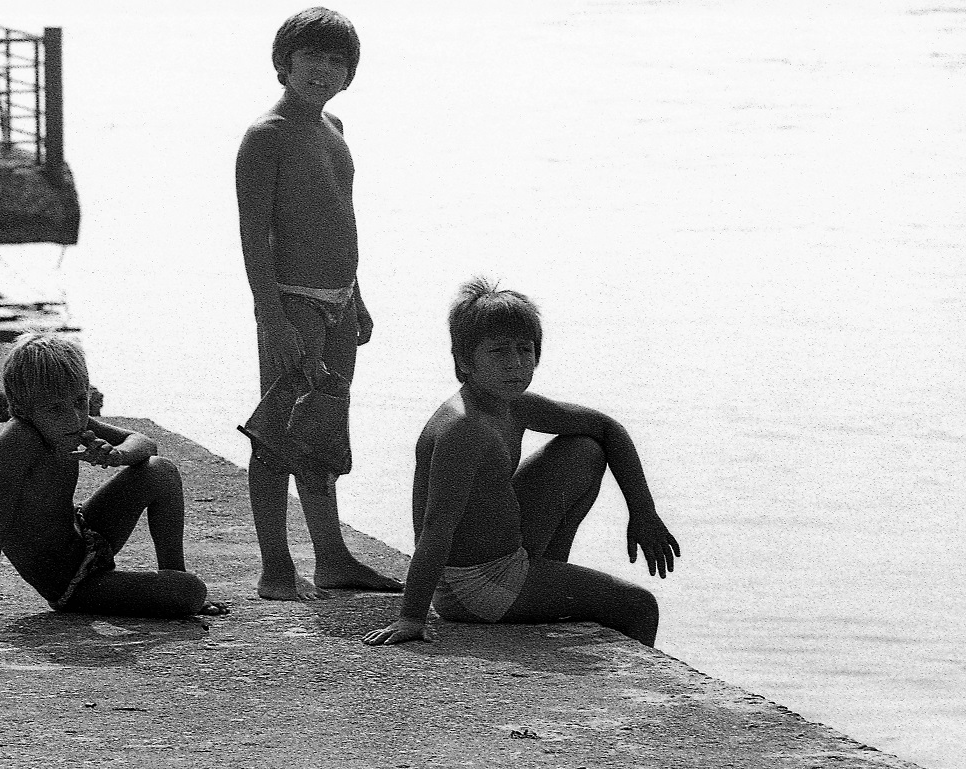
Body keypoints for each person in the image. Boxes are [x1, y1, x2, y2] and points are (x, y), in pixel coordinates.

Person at [363, 279, 681, 648]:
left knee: (585, 449)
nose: (515, 364)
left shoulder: (512, 404)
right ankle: (550, 590)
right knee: (639, 606)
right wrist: (411, 617)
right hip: (475, 586)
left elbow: (607, 428)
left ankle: (552, 573)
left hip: (508, 555)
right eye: (498, 352)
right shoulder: (465, 427)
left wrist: (643, 513)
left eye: (524, 350)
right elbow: (436, 529)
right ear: (464, 362)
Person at [235, 7, 402, 601]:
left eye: (337, 61)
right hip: (293, 303)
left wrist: (358, 296)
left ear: (349, 74)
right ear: (284, 63)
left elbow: (341, 218)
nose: (323, 70)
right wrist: (272, 317)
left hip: (339, 301)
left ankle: (331, 558)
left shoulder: (335, 127)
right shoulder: (266, 136)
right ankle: (275, 566)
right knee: (276, 435)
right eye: (312, 57)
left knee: (323, 433)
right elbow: (254, 235)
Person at [0, 334, 226, 633]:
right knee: (190, 592)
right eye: (55, 408)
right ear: (24, 409)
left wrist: (117, 455)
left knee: (160, 470)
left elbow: (145, 444)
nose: (73, 417)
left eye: (79, 401)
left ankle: (174, 569)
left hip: (84, 534)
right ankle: (172, 584)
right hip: (70, 582)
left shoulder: (70, 421)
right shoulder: (17, 443)